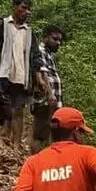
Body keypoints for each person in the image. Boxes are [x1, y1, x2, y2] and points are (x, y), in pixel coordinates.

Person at [0, 0, 51, 145]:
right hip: (2, 69)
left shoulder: (29, 33)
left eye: (29, 10)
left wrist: (39, 78)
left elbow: (36, 57)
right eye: (23, 8)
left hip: (21, 74)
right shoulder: (2, 25)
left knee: (18, 110)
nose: (27, 12)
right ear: (14, 8)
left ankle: (16, 146)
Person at [31, 25, 65, 153]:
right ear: (46, 37)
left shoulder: (48, 54)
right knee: (39, 132)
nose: (58, 43)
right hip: (45, 99)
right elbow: (42, 72)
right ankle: (34, 161)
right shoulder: (40, 51)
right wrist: (50, 95)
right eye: (55, 39)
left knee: (51, 132)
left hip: (53, 99)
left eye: (59, 40)